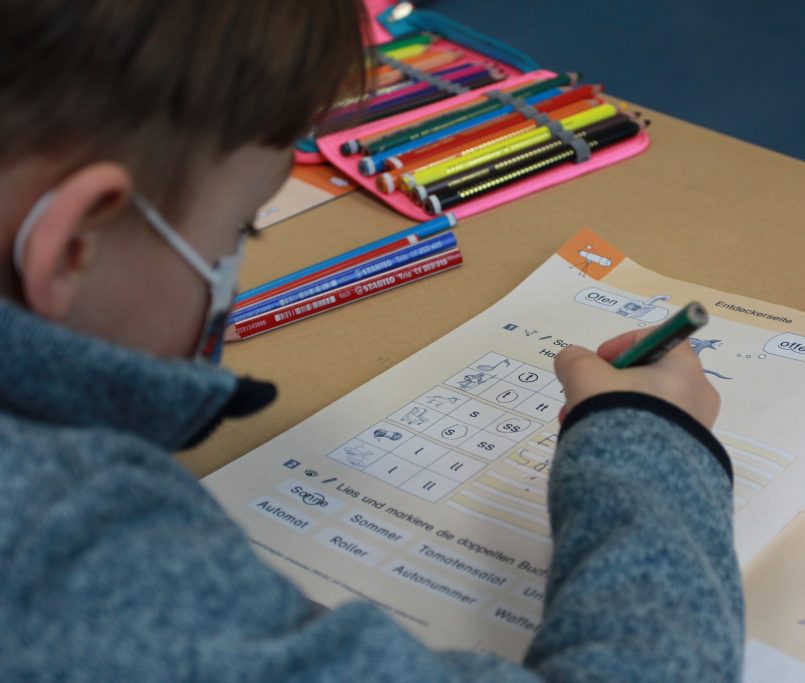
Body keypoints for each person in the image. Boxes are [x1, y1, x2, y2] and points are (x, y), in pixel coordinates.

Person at [0, 2, 743, 680]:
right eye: (240, 226)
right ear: (73, 246)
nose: (236, 252)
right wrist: (652, 450)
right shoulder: (68, 547)